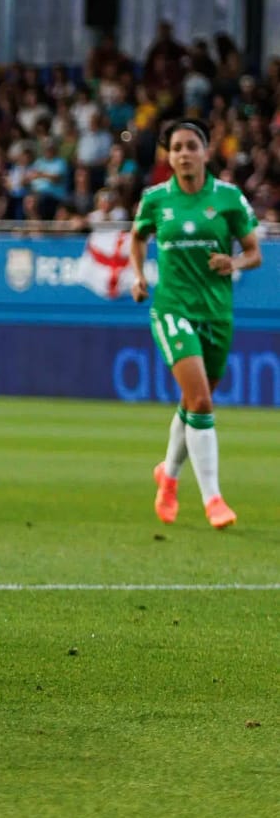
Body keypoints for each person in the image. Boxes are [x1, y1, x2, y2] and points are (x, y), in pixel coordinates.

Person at [129, 119, 262, 529]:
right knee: (202, 400)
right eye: (176, 148)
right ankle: (213, 499)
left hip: (217, 312)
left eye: (191, 146)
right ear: (169, 157)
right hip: (172, 308)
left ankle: (167, 477)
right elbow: (137, 237)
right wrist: (139, 276)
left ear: (206, 152)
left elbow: (255, 252)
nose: (183, 153)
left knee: (193, 403)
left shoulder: (228, 198)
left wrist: (234, 261)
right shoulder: (155, 199)